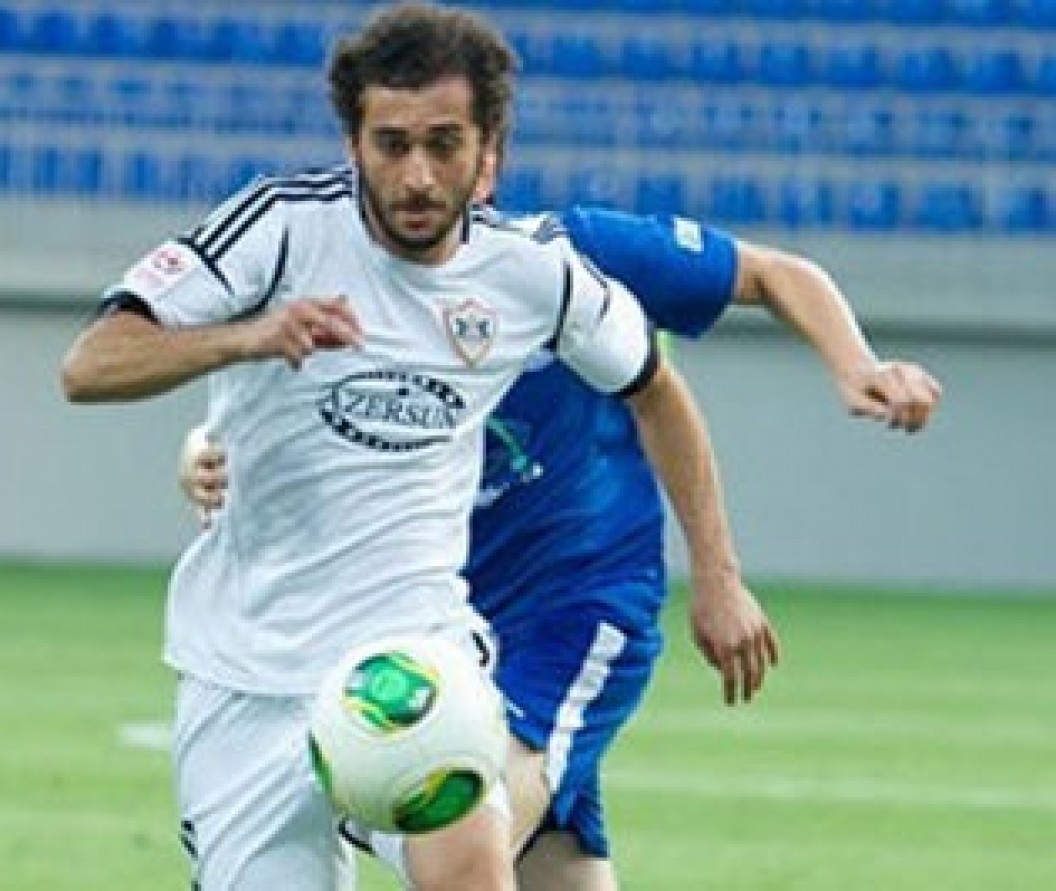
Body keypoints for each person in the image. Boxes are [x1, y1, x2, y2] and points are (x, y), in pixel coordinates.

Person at [60, 4, 757, 889]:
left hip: (414, 657)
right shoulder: (280, 227)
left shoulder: (533, 273)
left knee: (468, 874)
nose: (417, 175)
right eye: (391, 145)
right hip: (244, 675)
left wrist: (718, 575)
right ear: (353, 144)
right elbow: (90, 364)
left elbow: (655, 387)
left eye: (443, 143)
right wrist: (248, 336)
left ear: (488, 149)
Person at [180, 197, 942, 885]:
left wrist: (858, 367)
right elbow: (282, 424)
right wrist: (203, 454)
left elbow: (777, 274)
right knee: (554, 872)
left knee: (453, 852)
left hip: (577, 611)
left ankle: (358, 793)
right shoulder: (359, 295)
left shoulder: (573, 260)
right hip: (449, 627)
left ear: (486, 163)